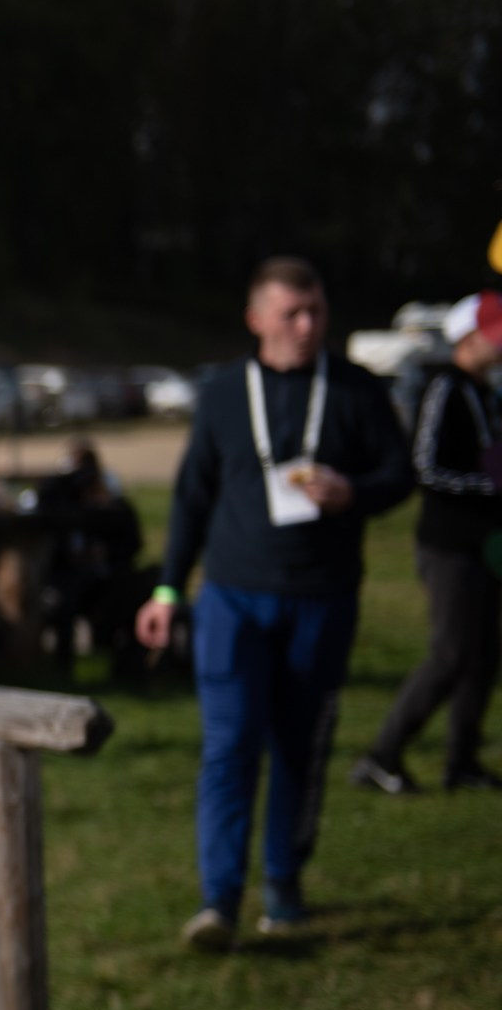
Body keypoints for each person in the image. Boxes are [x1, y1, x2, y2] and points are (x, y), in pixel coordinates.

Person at [136, 256, 411, 944]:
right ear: (257, 318)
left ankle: (283, 889)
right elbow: (192, 497)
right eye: (292, 313)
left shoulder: (354, 389)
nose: (307, 325)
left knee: (298, 747)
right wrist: (169, 587)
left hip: (321, 595)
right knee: (229, 748)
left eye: (316, 311)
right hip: (234, 597)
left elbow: (400, 474)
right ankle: (219, 901)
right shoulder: (227, 393)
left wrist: (356, 493)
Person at [353, 290, 502, 794]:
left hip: (487, 546)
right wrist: (490, 488)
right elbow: (427, 467)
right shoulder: (445, 386)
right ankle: (381, 756)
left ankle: (461, 762)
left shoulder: (489, 393)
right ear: (467, 336)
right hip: (448, 544)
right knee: (450, 654)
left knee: (483, 655)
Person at [35, 438, 144, 678]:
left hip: (109, 578)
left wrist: (106, 551)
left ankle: (127, 665)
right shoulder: (62, 504)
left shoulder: (114, 505)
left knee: (126, 592)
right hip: (74, 580)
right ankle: (63, 668)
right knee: (65, 597)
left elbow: (133, 543)